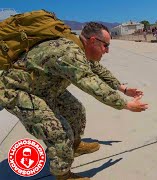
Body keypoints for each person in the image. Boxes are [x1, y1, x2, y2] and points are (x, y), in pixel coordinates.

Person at [0, 22, 148, 180]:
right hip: (18, 91)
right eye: (106, 46)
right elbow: (90, 82)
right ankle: (63, 175)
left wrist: (123, 89)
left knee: (75, 110)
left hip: (43, 87)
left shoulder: (79, 48)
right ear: (93, 41)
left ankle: (75, 146)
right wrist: (126, 104)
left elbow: (96, 69)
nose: (107, 51)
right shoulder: (69, 52)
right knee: (59, 133)